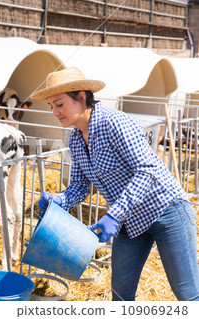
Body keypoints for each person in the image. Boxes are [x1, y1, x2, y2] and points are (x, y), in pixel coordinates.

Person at [31, 66, 199, 301]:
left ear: (81, 98)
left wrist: (114, 215)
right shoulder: (76, 139)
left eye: (59, 104)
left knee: (187, 294)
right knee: (120, 295)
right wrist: (60, 199)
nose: (54, 112)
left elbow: (147, 169)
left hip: (166, 211)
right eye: (51, 106)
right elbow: (80, 185)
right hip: (129, 221)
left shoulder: (115, 123)